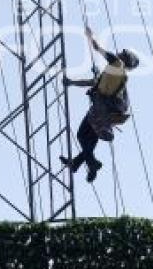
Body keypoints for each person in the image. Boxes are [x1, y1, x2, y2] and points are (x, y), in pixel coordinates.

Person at [60, 27, 140, 183]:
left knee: (82, 135)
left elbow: (97, 48)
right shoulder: (116, 73)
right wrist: (71, 82)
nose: (119, 52)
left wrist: (90, 36)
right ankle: (79, 163)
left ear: (125, 58)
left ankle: (91, 163)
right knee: (89, 140)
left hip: (99, 111)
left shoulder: (117, 64)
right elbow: (92, 83)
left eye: (122, 53)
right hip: (103, 113)